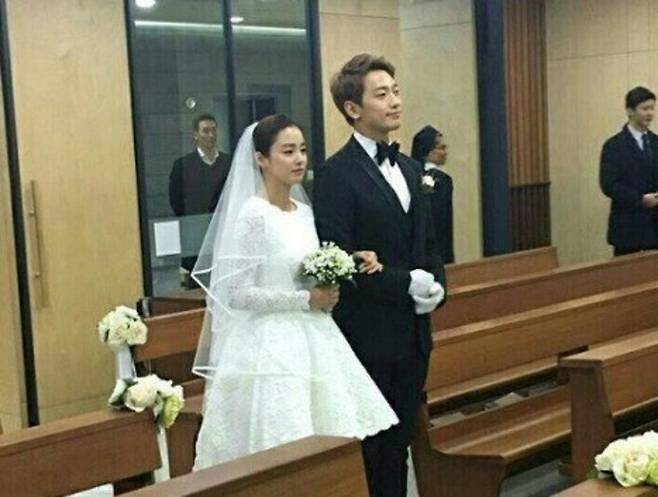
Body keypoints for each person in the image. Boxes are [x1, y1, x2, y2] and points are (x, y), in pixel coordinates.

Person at [191, 114, 398, 470]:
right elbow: (237, 293)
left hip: (311, 334)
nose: (299, 159)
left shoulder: (303, 212)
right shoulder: (253, 215)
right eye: (287, 152)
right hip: (267, 343)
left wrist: (344, 262)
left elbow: (302, 267)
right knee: (282, 439)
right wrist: (305, 300)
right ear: (261, 159)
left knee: (326, 441)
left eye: (302, 150)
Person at [313, 54, 446, 497]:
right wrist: (406, 283)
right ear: (353, 108)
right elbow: (340, 259)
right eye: (382, 94)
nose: (395, 101)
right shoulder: (335, 174)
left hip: (414, 334)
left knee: (401, 443)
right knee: (373, 449)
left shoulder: (411, 168)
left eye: (396, 91)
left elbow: (429, 243)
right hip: (368, 335)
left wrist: (437, 285)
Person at [169, 113, 232, 273]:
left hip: (223, 234)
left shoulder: (229, 162)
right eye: (205, 131)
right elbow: (176, 200)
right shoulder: (183, 165)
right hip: (195, 236)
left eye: (213, 130)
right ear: (195, 135)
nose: (211, 135)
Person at [600, 86, 658, 256]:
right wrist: (640, 199)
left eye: (652, 108)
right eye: (645, 108)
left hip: (655, 228)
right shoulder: (613, 146)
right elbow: (609, 185)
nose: (650, 113)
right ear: (630, 111)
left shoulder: (656, 142)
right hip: (627, 229)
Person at [411, 125, 455, 264]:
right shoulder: (442, 179)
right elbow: (442, 219)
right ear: (428, 151)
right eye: (441, 148)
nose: (445, 152)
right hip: (439, 249)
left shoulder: (410, 175)